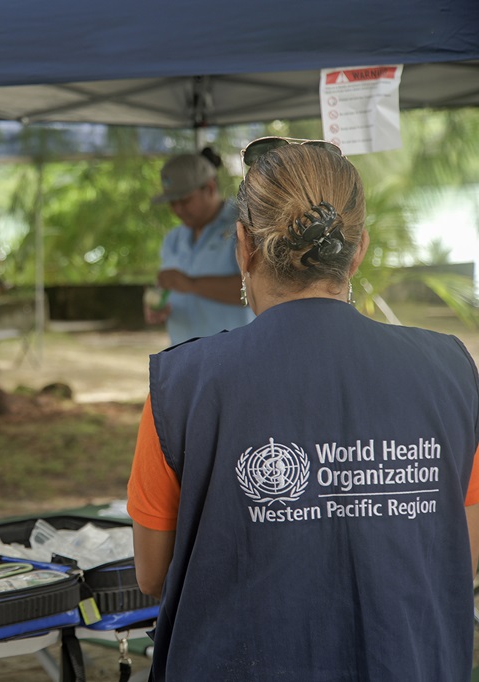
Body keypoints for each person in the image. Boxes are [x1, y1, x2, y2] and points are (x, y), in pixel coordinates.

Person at [128, 138, 479, 681]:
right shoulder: (451, 371)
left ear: (243, 245)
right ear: (358, 250)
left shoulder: (181, 385)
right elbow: (463, 553)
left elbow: (152, 574)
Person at [146, 148, 254, 344]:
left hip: (233, 355)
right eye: (172, 203)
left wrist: (191, 284)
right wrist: (158, 306)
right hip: (183, 354)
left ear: (210, 188)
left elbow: (258, 289)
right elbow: (169, 289)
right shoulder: (173, 239)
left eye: (185, 200)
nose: (178, 209)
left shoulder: (244, 226)